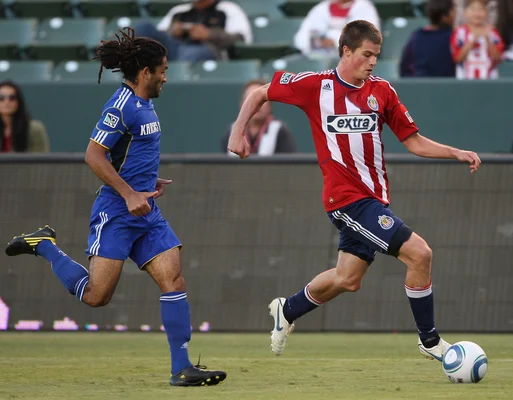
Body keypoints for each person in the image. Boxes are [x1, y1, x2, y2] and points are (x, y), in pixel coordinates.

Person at [228, 20, 482, 360]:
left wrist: (455, 151)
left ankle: (287, 310)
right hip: (346, 200)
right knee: (420, 253)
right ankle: (431, 341)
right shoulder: (315, 86)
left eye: (376, 55)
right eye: (366, 54)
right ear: (346, 51)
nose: (372, 61)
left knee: (348, 279)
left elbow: (413, 142)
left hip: (373, 198)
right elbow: (260, 92)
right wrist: (238, 132)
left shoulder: (383, 92)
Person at [4, 28, 227, 387]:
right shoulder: (120, 106)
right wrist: (128, 193)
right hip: (118, 213)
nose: (166, 77)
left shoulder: (146, 104)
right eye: (163, 71)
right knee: (96, 296)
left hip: (145, 210)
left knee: (174, 279)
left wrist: (146, 182)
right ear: (145, 73)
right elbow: (94, 155)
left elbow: (130, 154)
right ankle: (43, 245)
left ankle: (182, 367)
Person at [135, 0, 252, 62]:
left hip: (209, 50)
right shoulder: (179, 11)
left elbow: (242, 38)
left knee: (191, 53)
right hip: (175, 49)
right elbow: (159, 34)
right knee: (145, 27)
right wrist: (173, 31)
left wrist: (209, 34)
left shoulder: (228, 9)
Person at [222, 79, 296, 156]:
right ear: (242, 105)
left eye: (261, 101)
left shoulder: (280, 131)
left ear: (270, 105)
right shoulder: (231, 131)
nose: (256, 106)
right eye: (249, 100)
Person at [294, 0, 380, 63]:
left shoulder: (364, 8)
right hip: (315, 57)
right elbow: (300, 39)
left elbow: (367, 39)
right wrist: (317, 42)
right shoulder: (320, 8)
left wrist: (335, 41)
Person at [400, 0, 456, 78]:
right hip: (429, 86)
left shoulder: (417, 36)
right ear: (444, 16)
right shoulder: (453, 36)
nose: (454, 15)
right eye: (452, 11)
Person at [451, 0, 504, 79]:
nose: (477, 13)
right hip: (465, 80)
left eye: (480, 10)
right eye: (473, 10)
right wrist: (473, 40)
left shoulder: (492, 32)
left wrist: (488, 39)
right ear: (465, 13)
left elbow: (498, 58)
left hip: (489, 80)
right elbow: (458, 58)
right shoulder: (459, 33)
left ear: (485, 13)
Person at [0, 80, 49, 153]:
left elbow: (41, 161)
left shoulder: (34, 129)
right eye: (1, 98)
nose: (7, 102)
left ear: (18, 102)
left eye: (12, 98)